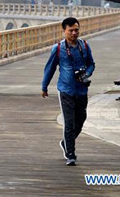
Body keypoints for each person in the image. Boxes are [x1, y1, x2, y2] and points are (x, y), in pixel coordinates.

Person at [41, 17, 95, 166]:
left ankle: (66, 142)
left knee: (81, 119)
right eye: (70, 30)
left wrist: (87, 74)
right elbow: (50, 68)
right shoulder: (58, 49)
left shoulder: (84, 46)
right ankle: (70, 154)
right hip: (66, 90)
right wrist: (44, 86)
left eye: (76, 30)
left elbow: (91, 64)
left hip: (82, 90)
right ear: (64, 30)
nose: (74, 33)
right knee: (69, 123)